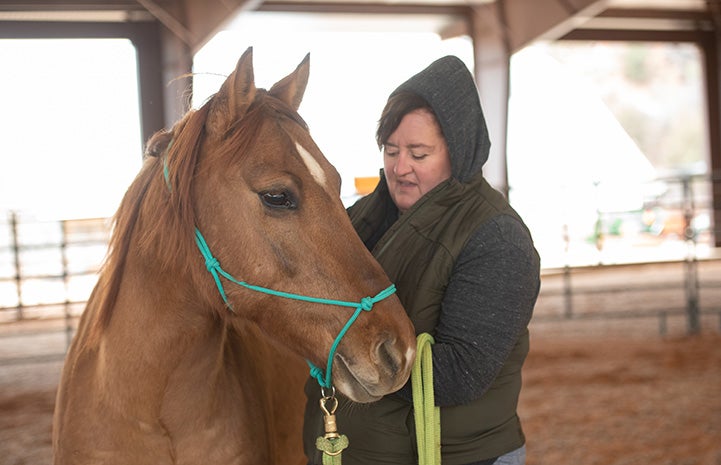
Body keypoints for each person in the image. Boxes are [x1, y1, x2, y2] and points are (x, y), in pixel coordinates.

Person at [303, 55, 540, 465]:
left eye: (419, 153)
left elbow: (461, 375)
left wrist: (339, 343)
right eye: (391, 150)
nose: (400, 167)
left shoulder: (497, 238)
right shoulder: (359, 219)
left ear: (459, 152)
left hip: (458, 456)